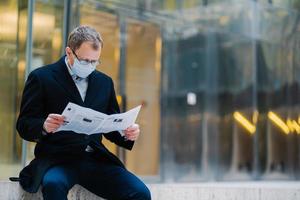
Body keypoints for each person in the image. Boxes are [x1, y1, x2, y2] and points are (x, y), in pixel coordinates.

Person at [16, 25, 151, 200]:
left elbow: (110, 124)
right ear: (69, 52)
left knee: (140, 192)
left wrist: (127, 133)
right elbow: (24, 124)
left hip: (95, 159)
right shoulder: (41, 77)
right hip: (58, 159)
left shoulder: (104, 82)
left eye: (95, 61)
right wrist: (43, 125)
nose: (90, 65)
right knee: (53, 185)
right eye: (85, 61)